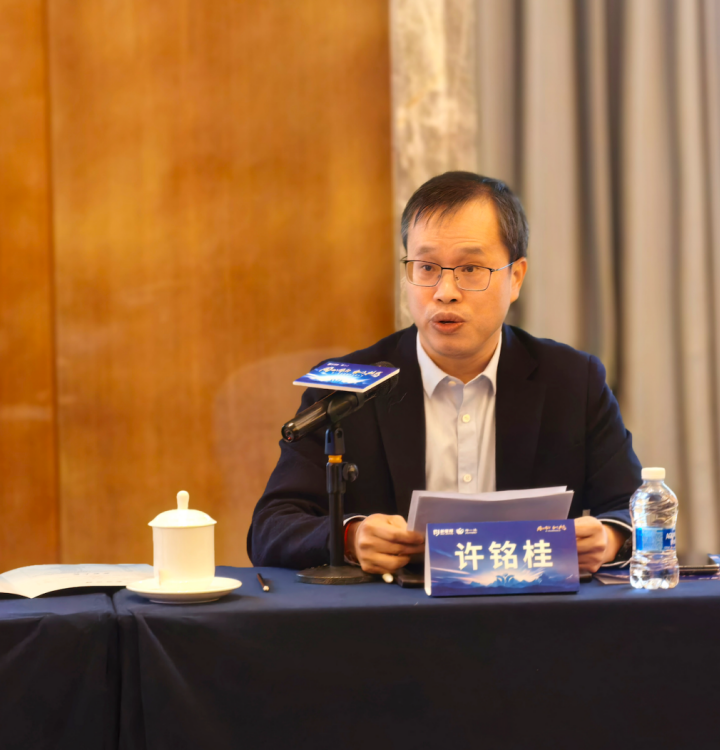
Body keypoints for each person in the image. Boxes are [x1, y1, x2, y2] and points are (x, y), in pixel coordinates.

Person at [248, 172, 642, 574]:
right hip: (392, 610)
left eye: (470, 268)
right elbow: (270, 528)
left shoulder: (572, 381)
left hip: (529, 607)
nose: (445, 292)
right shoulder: (346, 389)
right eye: (426, 267)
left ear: (516, 277)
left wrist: (610, 537)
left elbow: (636, 509)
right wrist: (349, 537)